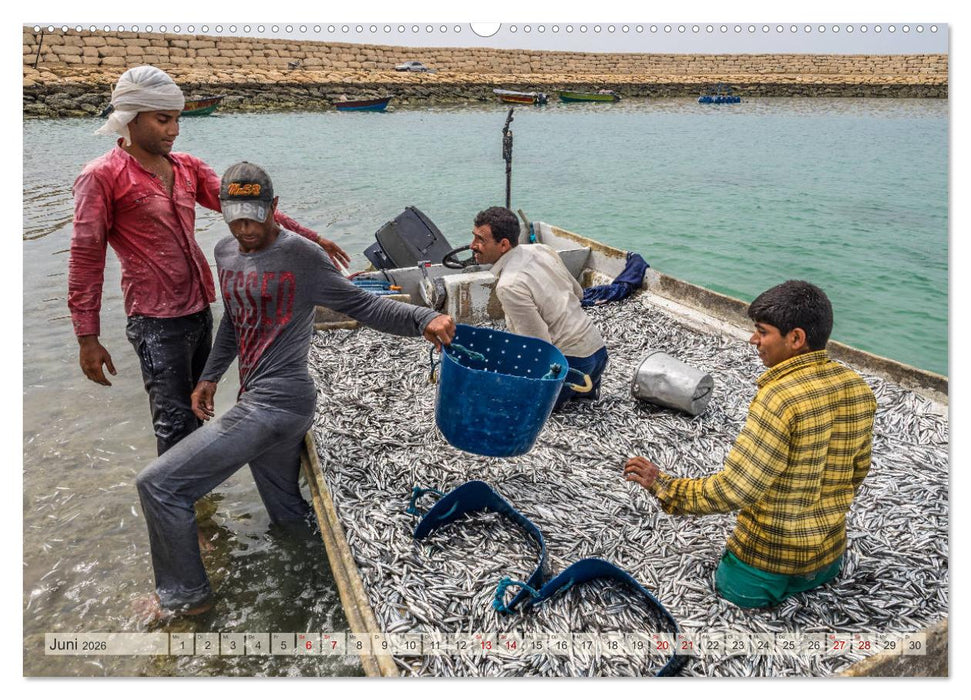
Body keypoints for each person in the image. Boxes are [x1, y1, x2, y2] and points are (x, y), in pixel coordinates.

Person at [134, 161, 455, 617]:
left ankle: (186, 599)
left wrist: (424, 318)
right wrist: (210, 376)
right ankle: (320, 586)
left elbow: (364, 305)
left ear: (274, 208)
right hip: (255, 400)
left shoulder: (303, 257)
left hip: (281, 402)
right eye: (234, 216)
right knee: (287, 514)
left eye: (254, 216)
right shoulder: (225, 252)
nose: (244, 227)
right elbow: (235, 320)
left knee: (159, 485)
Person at [69, 65, 351, 456]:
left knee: (198, 408)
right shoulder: (102, 176)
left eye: (177, 119)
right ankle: (176, 492)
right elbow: (86, 257)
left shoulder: (187, 167)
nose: (174, 130)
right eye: (163, 120)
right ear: (130, 119)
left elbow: (249, 208)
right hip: (155, 322)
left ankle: (201, 487)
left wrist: (312, 238)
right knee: (173, 425)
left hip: (201, 311)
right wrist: (88, 338)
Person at [623, 280, 877, 608]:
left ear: (796, 338)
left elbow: (736, 490)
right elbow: (858, 471)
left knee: (731, 592)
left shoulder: (779, 399)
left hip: (766, 567)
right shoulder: (857, 387)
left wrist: (665, 486)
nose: (753, 340)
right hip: (827, 559)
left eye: (762, 332)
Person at [468, 206, 608, 409]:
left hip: (571, 368)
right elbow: (578, 293)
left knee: (498, 399)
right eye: (473, 237)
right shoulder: (541, 249)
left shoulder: (509, 286)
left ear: (504, 244)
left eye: (480, 240)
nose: (472, 245)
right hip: (597, 354)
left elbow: (539, 346)